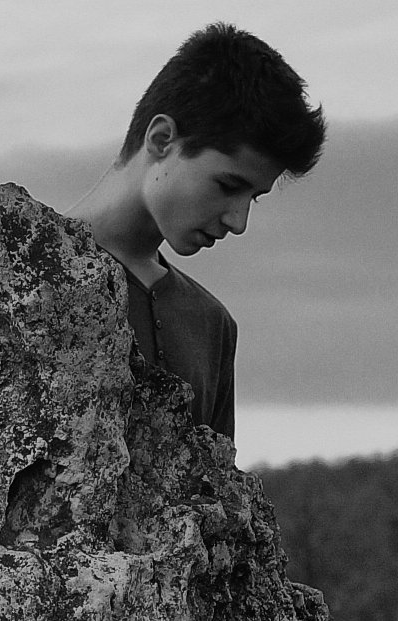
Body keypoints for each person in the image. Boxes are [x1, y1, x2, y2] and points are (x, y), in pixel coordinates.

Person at [65, 22, 326, 441]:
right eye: (228, 186)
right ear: (161, 139)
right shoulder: (17, 273)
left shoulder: (212, 325)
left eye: (254, 197)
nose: (238, 222)